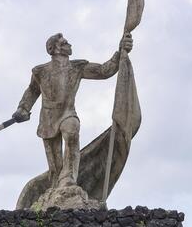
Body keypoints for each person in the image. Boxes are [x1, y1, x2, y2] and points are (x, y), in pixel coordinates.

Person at [12, 31, 133, 189]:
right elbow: (32, 91)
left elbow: (104, 71)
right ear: (54, 49)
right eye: (64, 43)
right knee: (55, 166)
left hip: (68, 114)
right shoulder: (40, 72)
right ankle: (57, 189)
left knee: (71, 131)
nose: (69, 45)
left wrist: (120, 51)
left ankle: (69, 178)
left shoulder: (77, 67)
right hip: (48, 120)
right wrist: (23, 108)